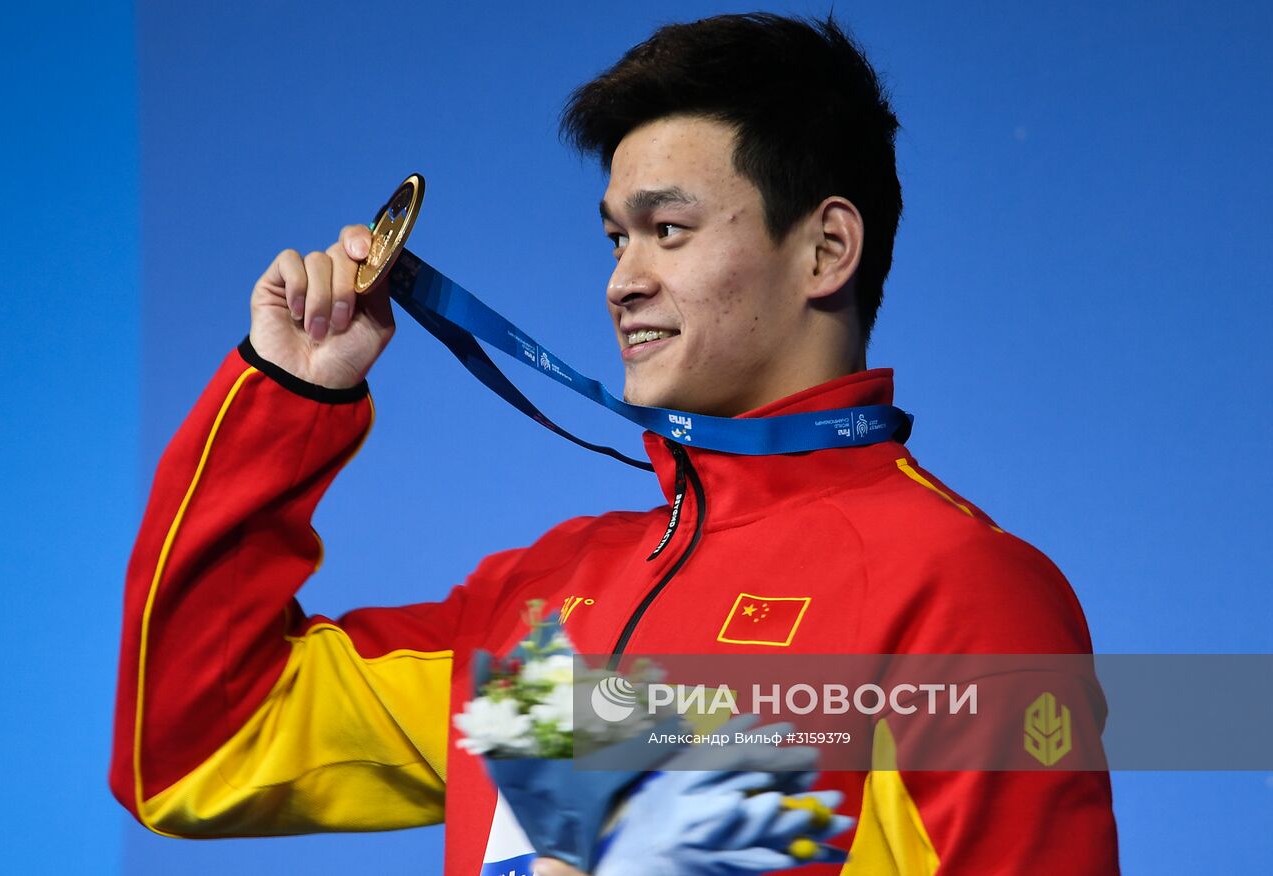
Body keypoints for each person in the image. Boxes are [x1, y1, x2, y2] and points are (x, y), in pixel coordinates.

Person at [109, 12, 1120, 875]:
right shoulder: (534, 610)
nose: (620, 281)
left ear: (824, 249)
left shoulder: (961, 595)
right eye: (613, 238)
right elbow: (194, 746)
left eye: (666, 231)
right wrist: (286, 395)